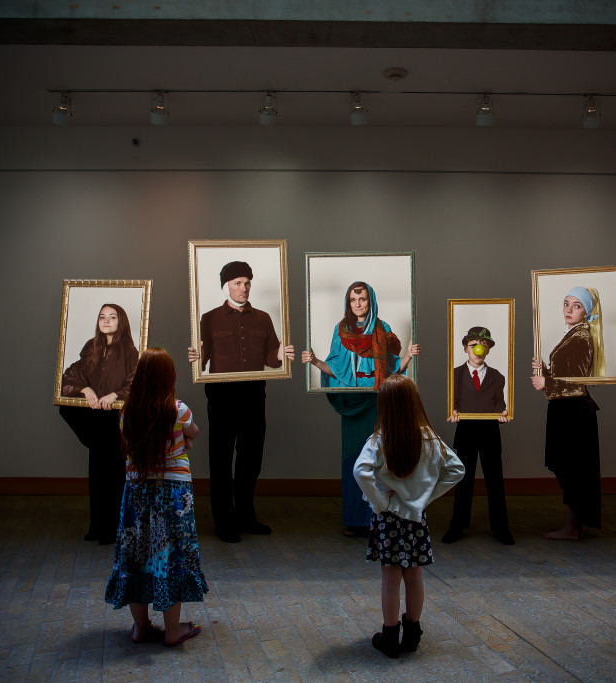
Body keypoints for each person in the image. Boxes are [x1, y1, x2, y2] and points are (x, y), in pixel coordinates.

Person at [353, 373, 464, 658]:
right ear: (415, 401)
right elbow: (457, 469)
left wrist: (380, 503)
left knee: (390, 580)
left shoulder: (379, 439)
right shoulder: (429, 436)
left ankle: (390, 636)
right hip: (416, 519)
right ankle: (412, 634)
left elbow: (359, 471)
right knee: (414, 577)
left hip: (388, 518)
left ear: (385, 405)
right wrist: (426, 497)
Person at [105, 347, 208, 647]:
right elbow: (195, 432)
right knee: (171, 557)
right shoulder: (177, 409)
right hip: (173, 493)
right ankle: (173, 631)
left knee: (136, 558)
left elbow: (133, 443)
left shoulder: (126, 411)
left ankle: (140, 628)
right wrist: (183, 439)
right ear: (169, 377)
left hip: (136, 492)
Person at [301, 281, 420, 537]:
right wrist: (315, 361)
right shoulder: (341, 329)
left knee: (379, 460)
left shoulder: (382, 329)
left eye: (363, 299)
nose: (358, 304)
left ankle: (379, 518)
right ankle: (355, 520)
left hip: (378, 401)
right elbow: (337, 368)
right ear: (348, 302)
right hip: (354, 401)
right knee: (354, 460)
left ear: (371, 301)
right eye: (354, 300)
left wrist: (408, 356)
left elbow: (393, 368)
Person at [188, 261, 294, 543]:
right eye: (237, 283)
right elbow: (202, 358)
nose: (243, 288)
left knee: (250, 458)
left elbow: (271, 359)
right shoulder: (209, 318)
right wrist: (195, 359)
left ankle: (246, 517)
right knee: (221, 459)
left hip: (253, 395)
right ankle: (224, 522)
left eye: (247, 282)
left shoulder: (263, 318)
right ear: (226, 286)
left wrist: (282, 354)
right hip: (221, 397)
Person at [59, 303, 139, 544]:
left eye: (112, 317)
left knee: (115, 472)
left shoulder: (130, 350)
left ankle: (114, 529)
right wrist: (86, 390)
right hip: (95, 415)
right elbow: (71, 375)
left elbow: (135, 380)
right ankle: (98, 526)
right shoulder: (91, 347)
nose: (106, 321)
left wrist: (116, 395)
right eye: (102, 317)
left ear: (121, 321)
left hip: (115, 416)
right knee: (97, 471)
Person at [531, 286, 605, 540]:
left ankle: (573, 528)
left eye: (577, 306)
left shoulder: (582, 336)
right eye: (566, 304)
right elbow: (566, 374)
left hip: (573, 411)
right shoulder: (573, 334)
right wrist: (544, 370)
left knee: (573, 467)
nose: (569, 310)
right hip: (566, 408)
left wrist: (545, 383)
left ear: (586, 312)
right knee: (571, 467)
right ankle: (574, 525)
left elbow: (577, 381)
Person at [443, 326, 513, 545]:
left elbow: (500, 402)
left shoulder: (497, 376)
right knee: (464, 479)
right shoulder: (455, 374)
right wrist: (452, 412)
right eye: (473, 345)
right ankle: (458, 525)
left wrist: (504, 412)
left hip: (490, 432)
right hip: (466, 431)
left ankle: (501, 527)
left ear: (489, 350)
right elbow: (452, 401)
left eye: (482, 346)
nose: (477, 350)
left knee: (495, 480)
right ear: (465, 348)